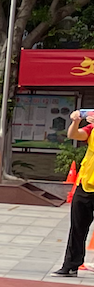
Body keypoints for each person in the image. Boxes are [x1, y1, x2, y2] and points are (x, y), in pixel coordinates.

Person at [52, 107, 94, 277]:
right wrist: (76, 121)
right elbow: (74, 135)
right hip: (86, 184)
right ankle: (71, 265)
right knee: (77, 227)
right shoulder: (91, 128)